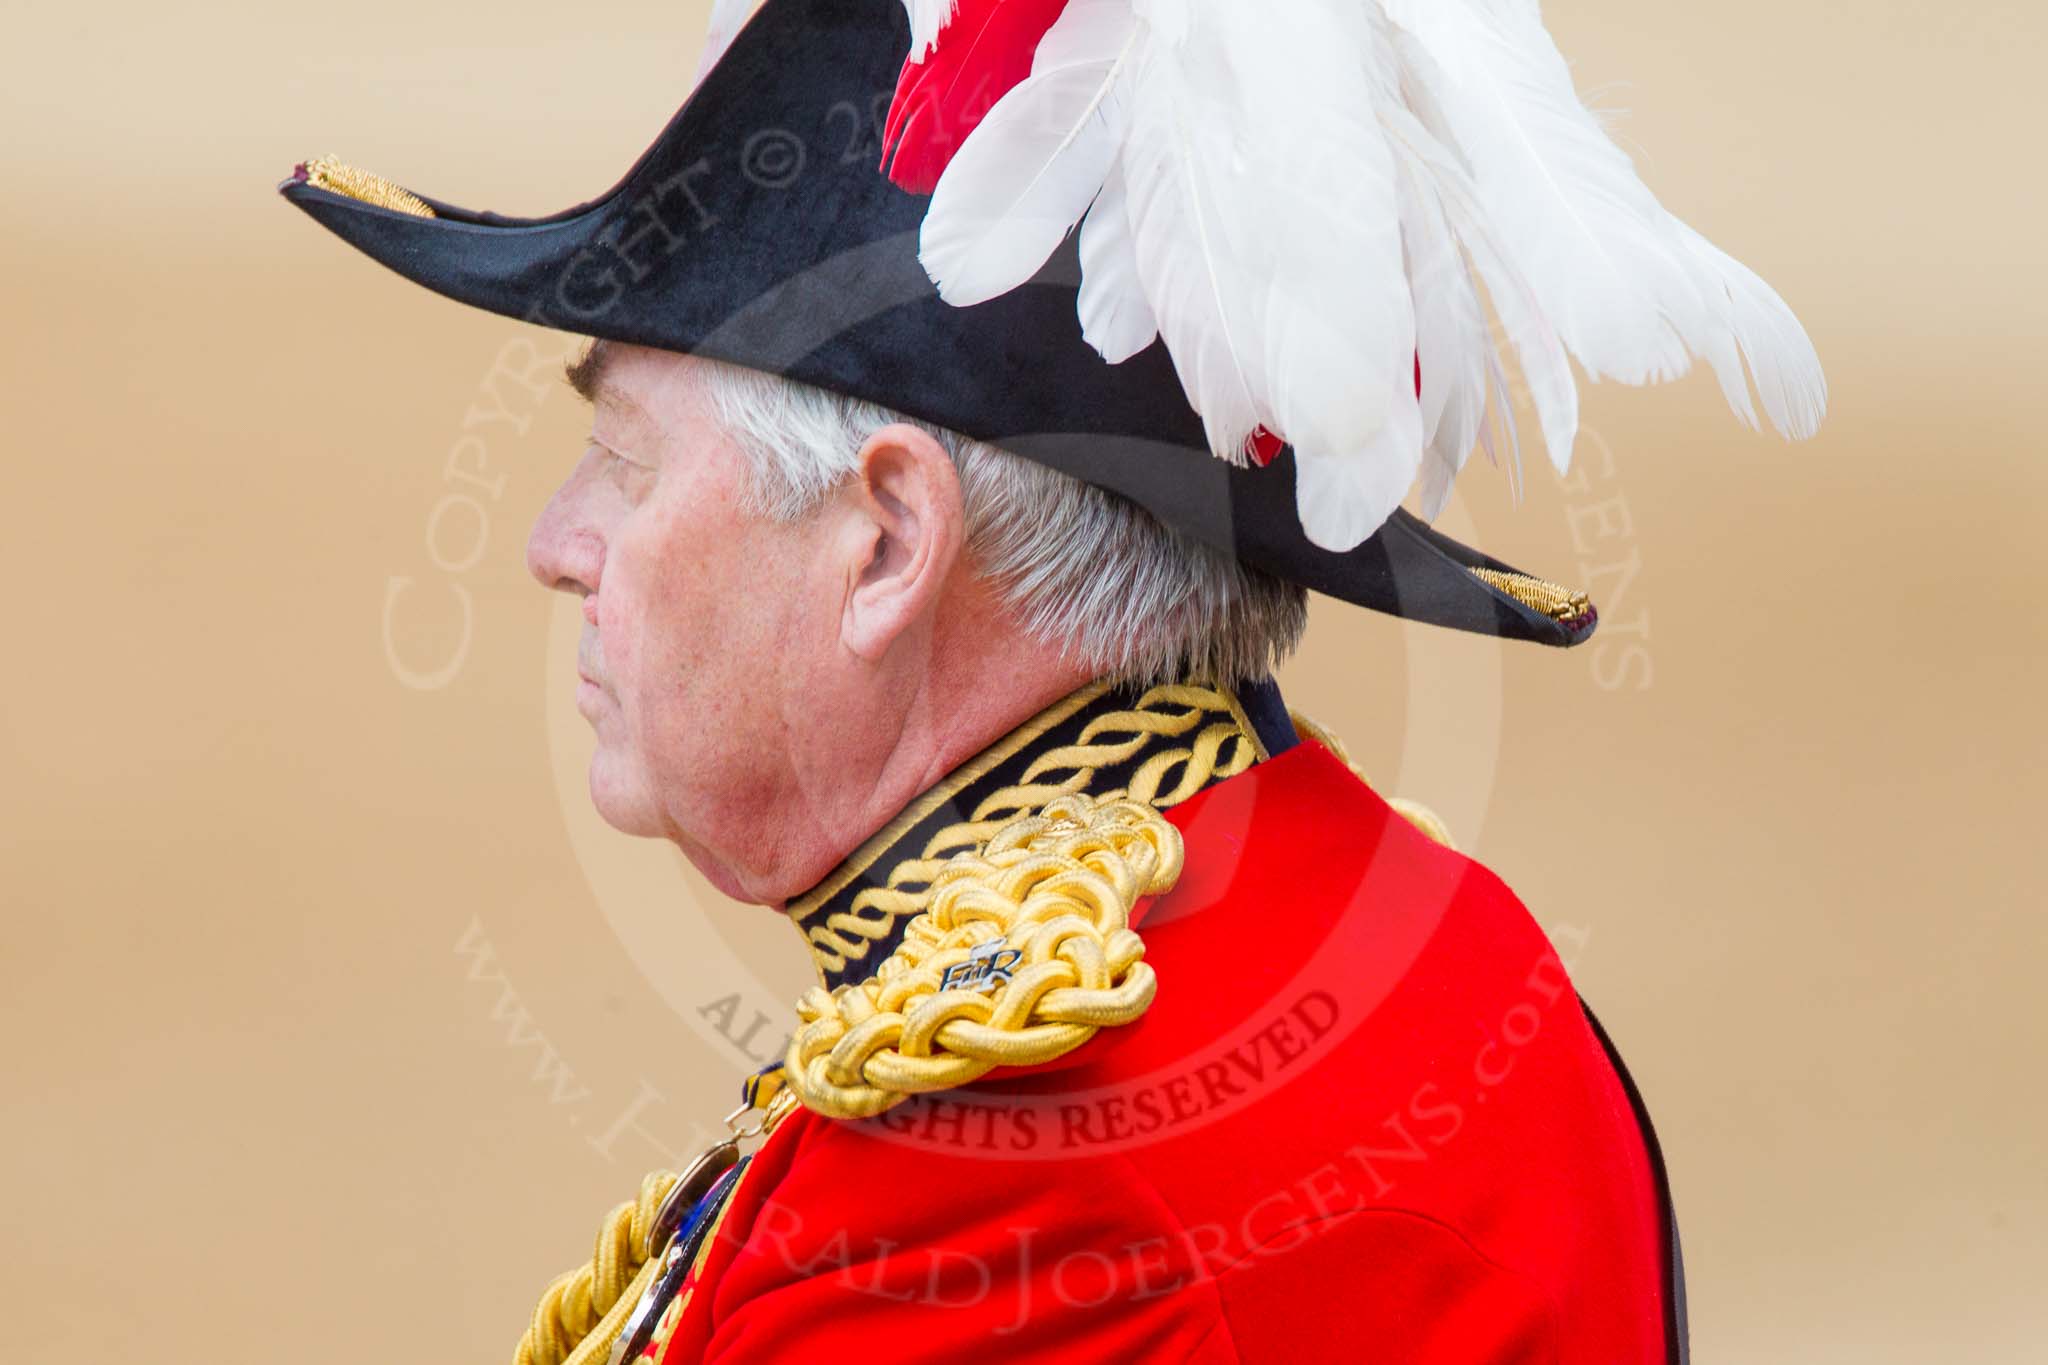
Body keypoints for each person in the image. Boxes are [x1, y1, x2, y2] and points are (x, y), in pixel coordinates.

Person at [279, 1, 1823, 1360]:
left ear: (887, 541)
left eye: (622, 460)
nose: (559, 542)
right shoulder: (1438, 931)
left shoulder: (990, 1190)